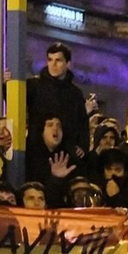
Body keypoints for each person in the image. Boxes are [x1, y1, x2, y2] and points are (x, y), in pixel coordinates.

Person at [25, 42, 89, 181]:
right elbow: (15, 101)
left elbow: (82, 123)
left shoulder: (75, 94)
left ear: (68, 63)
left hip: (66, 155)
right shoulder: (34, 86)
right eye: (50, 60)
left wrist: (82, 146)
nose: (53, 64)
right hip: (36, 154)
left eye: (58, 60)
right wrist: (7, 85)